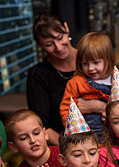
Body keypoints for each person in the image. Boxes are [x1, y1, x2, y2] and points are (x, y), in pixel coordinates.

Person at [59, 32, 119, 143]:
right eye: (85, 64)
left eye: (96, 62)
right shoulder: (76, 83)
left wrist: (106, 109)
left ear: (108, 60)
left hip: (116, 137)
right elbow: (66, 109)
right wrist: (74, 131)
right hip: (86, 139)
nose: (91, 68)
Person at [27, 13, 77, 145]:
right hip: (63, 146)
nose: (58, 47)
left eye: (60, 38)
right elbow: (41, 125)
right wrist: (72, 149)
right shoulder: (38, 74)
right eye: (50, 44)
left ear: (66, 28)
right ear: (40, 45)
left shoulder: (91, 60)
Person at [5, 109, 70, 167]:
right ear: (13, 147)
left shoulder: (65, 154)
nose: (32, 140)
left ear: (45, 133)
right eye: (23, 138)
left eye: (36, 133)